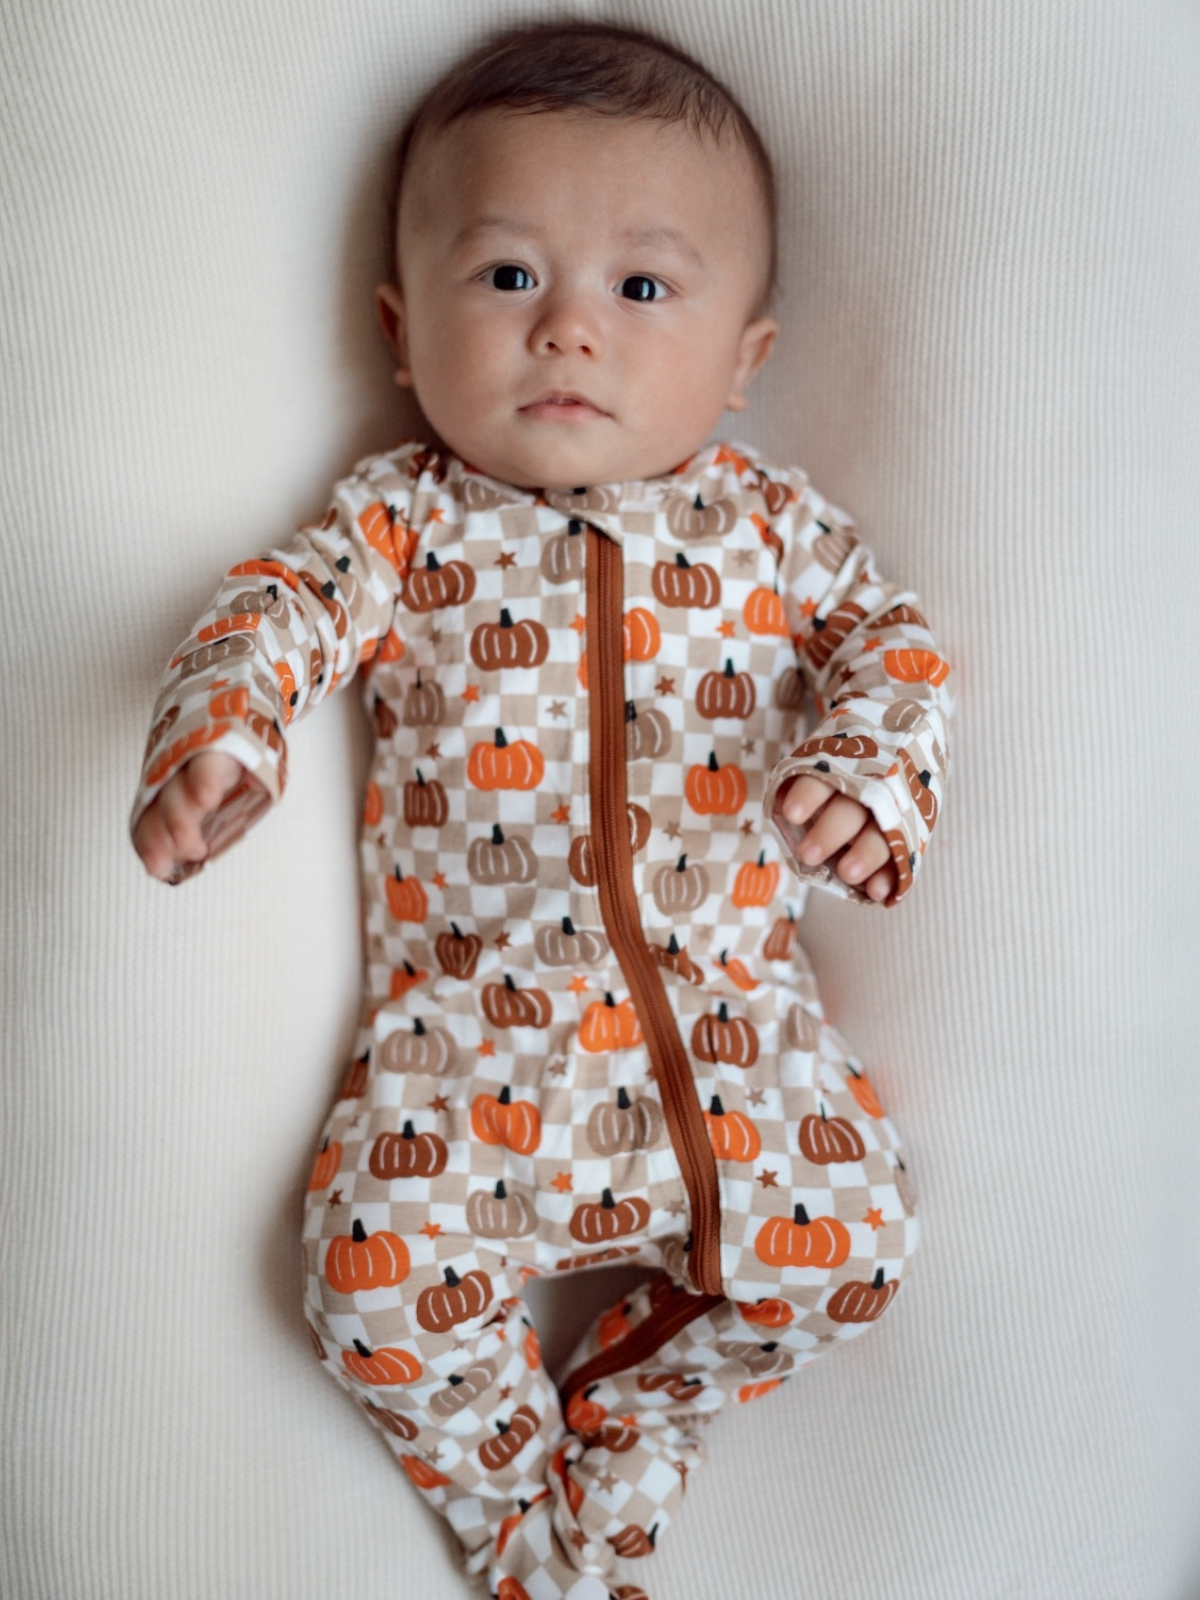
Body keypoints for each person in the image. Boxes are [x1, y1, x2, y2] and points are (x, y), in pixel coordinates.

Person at [131, 21, 952, 1600]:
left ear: (742, 362)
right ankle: (532, 1533)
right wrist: (222, 732)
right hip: (471, 1053)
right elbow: (275, 611)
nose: (570, 330)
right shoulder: (400, 520)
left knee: (859, 1251)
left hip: (735, 1049)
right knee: (367, 1284)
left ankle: (633, 1418)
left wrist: (871, 775)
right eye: (508, 278)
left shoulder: (769, 530)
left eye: (642, 290)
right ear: (401, 327)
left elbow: (895, 647)